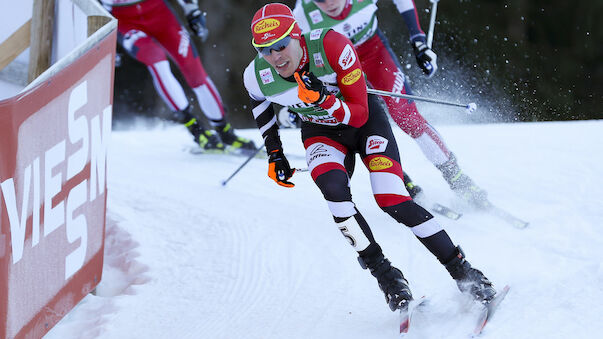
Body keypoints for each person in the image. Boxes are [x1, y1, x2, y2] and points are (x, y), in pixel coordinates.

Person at [243, 3, 497, 312]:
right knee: (334, 194)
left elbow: (360, 113)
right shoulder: (257, 75)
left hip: (363, 124)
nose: (275, 57)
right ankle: (387, 277)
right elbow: (259, 104)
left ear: (297, 35)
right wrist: (275, 153)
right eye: (265, 50)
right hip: (321, 134)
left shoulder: (332, 45)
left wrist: (324, 99)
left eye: (281, 45)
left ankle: (463, 270)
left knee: (391, 200)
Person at [291, 0, 487, 206]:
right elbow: (290, 56)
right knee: (358, 123)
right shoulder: (302, 14)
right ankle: (399, 180)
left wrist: (418, 39)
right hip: (336, 68)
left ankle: (456, 177)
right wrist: (296, 101)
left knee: (406, 116)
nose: (329, 3)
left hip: (373, 54)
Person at [100, 0, 256, 153]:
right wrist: (102, 37)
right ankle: (195, 128)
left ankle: (226, 133)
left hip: (160, 13)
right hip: (126, 22)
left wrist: (191, 9)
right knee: (156, 59)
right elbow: (89, 7)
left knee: (194, 71)